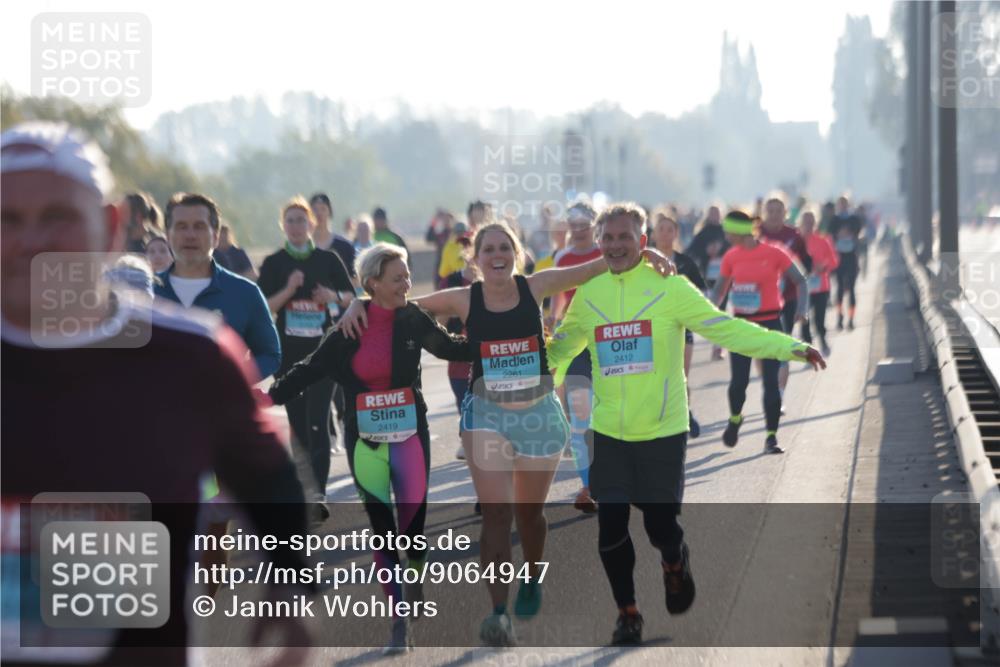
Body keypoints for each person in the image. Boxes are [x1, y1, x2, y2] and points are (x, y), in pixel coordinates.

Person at [1, 121, 311, 667]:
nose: (31, 241)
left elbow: (266, 474)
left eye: (58, 217)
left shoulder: (189, 356)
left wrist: (288, 586)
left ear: (112, 225)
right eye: (7, 220)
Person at [337, 221, 674, 646]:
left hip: (537, 413)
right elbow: (395, 300)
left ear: (515, 253)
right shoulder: (464, 298)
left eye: (503, 247)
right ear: (475, 260)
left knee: (528, 515)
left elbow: (596, 266)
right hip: (486, 414)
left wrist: (649, 254)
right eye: (487, 249)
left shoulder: (535, 286)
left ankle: (531, 575)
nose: (496, 255)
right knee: (496, 513)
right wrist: (358, 304)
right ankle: (499, 612)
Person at [547, 203, 825, 646]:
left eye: (625, 237)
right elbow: (560, 350)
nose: (616, 245)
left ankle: (674, 560)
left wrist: (790, 347)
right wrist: (519, 375)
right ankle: (628, 613)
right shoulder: (590, 293)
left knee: (661, 528)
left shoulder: (669, 287)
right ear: (599, 244)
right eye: (609, 238)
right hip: (608, 432)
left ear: (642, 242)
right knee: (611, 523)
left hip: (662, 430)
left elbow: (728, 329)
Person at [270, 243, 471, 654]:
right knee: (382, 531)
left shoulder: (412, 318)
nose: (408, 284)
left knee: (413, 530)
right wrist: (268, 397)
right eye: (398, 278)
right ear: (373, 283)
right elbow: (311, 368)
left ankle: (414, 583)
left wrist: (501, 340)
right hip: (366, 441)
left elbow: (451, 348)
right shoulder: (351, 327)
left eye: (408, 276)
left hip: (410, 435)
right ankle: (399, 619)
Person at [257, 196, 355, 519]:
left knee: (317, 422)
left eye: (302, 220)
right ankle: (303, 489)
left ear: (312, 223)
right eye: (291, 221)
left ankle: (318, 494)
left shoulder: (327, 260)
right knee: (299, 427)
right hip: (288, 356)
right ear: (283, 226)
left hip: (324, 353)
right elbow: (265, 307)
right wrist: (288, 289)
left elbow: (354, 297)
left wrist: (332, 296)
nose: (297, 226)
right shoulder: (274, 263)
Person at [712, 210, 811, 454]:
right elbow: (718, 292)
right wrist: (711, 317)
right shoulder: (731, 256)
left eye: (728, 231)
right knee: (739, 383)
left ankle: (771, 437)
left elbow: (801, 280)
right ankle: (735, 418)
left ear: (739, 231)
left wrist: (801, 308)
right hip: (742, 326)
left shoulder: (774, 251)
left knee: (771, 382)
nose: (725, 235)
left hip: (770, 324)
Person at [154, 192, 281, 379]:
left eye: (199, 227)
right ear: (167, 235)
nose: (190, 235)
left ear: (215, 236)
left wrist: (231, 380)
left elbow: (270, 355)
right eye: (181, 227)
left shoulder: (245, 293)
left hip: (219, 407)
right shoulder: (144, 291)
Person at [551, 202, 603, 513]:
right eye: (574, 221)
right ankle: (588, 486)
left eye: (585, 221)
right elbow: (558, 294)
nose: (579, 226)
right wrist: (552, 322)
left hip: (610, 343)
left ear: (595, 224)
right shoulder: (562, 258)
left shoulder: (607, 252)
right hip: (576, 344)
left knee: (608, 415)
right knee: (581, 416)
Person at [651, 209, 708, 438]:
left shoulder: (685, 262)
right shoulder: (645, 263)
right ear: (654, 233)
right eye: (661, 229)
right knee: (656, 375)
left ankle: (686, 414)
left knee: (681, 375)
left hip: (681, 327)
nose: (665, 234)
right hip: (653, 328)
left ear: (676, 233)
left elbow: (702, 290)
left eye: (670, 230)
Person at [758, 197, 812, 409]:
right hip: (761, 300)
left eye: (778, 210)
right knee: (761, 350)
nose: (774, 214)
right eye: (770, 210)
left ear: (785, 212)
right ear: (764, 212)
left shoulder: (793, 236)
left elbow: (806, 265)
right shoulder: (756, 234)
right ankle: (769, 385)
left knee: (783, 346)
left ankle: (778, 394)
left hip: (787, 298)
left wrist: (802, 306)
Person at [798, 209, 838, 356]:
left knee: (819, 319)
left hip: (821, 286)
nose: (808, 224)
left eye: (811, 221)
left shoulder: (823, 240)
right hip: (802, 288)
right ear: (801, 223)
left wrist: (823, 266)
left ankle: (823, 340)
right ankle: (808, 349)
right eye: (806, 221)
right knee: (804, 320)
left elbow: (834, 261)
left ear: (816, 222)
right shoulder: (797, 242)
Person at [309, 192, 358, 284]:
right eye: (315, 209)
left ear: (329, 212)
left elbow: (356, 281)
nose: (319, 213)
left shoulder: (345, 247)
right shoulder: (301, 247)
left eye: (323, 209)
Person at [829, 205, 863, 332]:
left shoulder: (854, 219)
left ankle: (851, 319)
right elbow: (830, 235)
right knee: (839, 289)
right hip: (839, 258)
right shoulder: (835, 220)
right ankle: (840, 317)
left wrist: (851, 233)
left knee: (852, 290)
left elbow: (859, 233)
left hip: (851, 258)